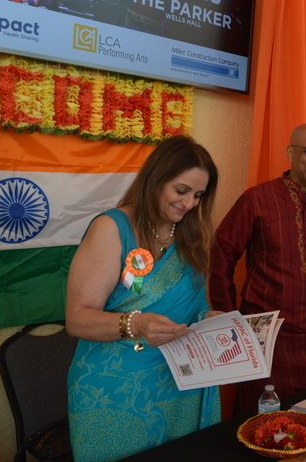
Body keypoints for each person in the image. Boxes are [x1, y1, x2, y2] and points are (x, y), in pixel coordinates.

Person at [65, 135, 221, 461]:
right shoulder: (112, 227)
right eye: (181, 191)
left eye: (198, 195)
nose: (189, 204)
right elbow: (77, 318)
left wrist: (211, 320)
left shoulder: (192, 234)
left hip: (181, 381)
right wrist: (136, 324)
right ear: (156, 179)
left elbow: (196, 305)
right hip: (114, 390)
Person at [209, 123, 306, 412]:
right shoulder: (257, 199)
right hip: (270, 333)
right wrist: (228, 316)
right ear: (290, 153)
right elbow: (222, 254)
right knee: (266, 418)